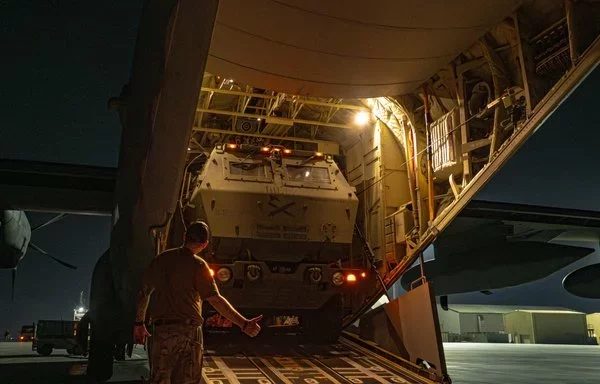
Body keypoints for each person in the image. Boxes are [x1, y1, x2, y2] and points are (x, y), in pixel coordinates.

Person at [133, 221, 262, 384]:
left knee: (160, 380)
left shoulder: (161, 260)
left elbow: (143, 292)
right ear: (205, 244)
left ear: (184, 236)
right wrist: (243, 324)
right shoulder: (199, 266)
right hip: (190, 333)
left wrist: (139, 323)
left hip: (163, 332)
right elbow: (215, 300)